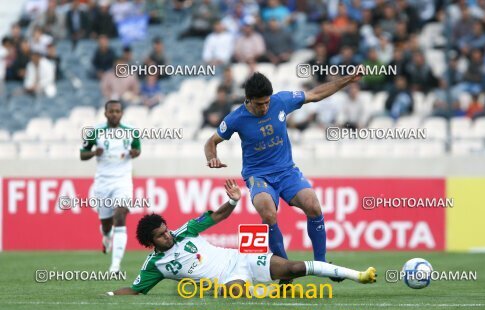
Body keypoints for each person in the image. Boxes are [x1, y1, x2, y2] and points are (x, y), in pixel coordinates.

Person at [204, 69, 364, 283]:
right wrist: (212, 158)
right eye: (260, 104)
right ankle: (285, 270)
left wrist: (347, 80)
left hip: (287, 171)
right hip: (258, 175)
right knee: (268, 214)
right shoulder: (236, 118)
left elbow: (316, 94)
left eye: (267, 102)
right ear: (248, 100)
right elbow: (211, 142)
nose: (265, 107)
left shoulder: (281, 101)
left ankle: (321, 263)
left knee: (313, 206)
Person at [107, 179, 376, 296]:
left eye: (166, 229)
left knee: (293, 267)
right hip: (228, 280)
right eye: (161, 236)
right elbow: (135, 289)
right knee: (234, 293)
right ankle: (275, 289)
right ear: (151, 242)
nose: (168, 235)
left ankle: (358, 275)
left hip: (242, 259)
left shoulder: (185, 231)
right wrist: (108, 293)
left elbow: (217, 216)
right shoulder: (155, 266)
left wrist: (233, 202)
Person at [80, 100, 141, 273]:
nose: (114, 114)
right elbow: (82, 154)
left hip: (122, 181)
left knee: (120, 215)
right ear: (105, 113)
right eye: (111, 111)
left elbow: (137, 151)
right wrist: (93, 152)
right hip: (103, 183)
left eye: (117, 111)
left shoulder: (131, 132)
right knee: (106, 224)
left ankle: (115, 266)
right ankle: (106, 236)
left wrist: (133, 153)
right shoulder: (95, 132)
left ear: (121, 113)